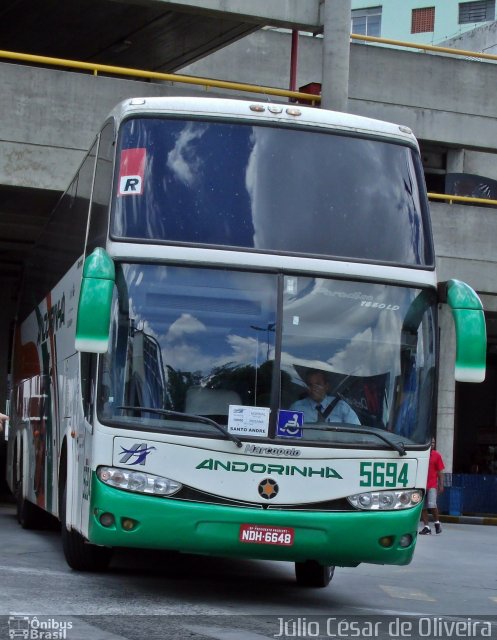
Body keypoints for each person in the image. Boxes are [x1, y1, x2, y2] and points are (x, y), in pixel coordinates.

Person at [290, 370, 360, 425]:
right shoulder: (296, 407)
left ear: (326, 386)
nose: (314, 388)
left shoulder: (340, 406)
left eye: (318, 384)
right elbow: (286, 433)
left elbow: (357, 432)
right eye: (310, 385)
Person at [419, 437, 445, 535]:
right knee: (423, 507)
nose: (433, 444)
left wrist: (441, 484)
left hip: (432, 485)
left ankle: (437, 523)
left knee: (432, 504)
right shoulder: (422, 455)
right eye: (431, 442)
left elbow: (440, 471)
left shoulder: (437, 455)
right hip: (421, 485)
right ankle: (426, 527)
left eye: (434, 442)